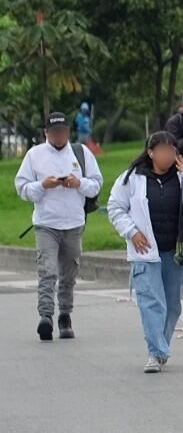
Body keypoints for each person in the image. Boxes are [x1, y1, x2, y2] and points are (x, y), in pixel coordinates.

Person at [107, 131, 183, 372]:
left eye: (171, 150)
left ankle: (160, 344)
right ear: (151, 152)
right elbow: (115, 208)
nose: (167, 154)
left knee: (173, 305)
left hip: (174, 251)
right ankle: (156, 352)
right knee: (151, 301)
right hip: (144, 251)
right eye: (162, 150)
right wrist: (131, 231)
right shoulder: (132, 178)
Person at [14, 111, 102, 341]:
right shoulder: (35, 155)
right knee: (47, 270)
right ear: (46, 133)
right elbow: (22, 188)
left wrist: (78, 183)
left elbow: (96, 185)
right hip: (46, 224)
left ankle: (65, 313)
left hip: (74, 223)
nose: (59, 136)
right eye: (54, 132)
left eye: (63, 131)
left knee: (69, 272)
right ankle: (46, 316)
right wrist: (43, 185)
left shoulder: (81, 153)